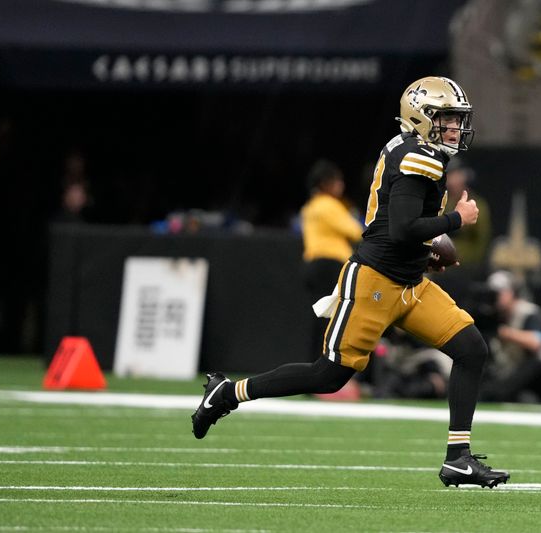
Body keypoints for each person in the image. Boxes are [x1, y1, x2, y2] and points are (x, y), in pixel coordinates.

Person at [191, 76, 510, 488]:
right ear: (421, 117)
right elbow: (401, 228)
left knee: (470, 348)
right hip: (375, 283)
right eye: (447, 118)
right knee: (328, 375)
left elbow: (396, 227)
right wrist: (457, 222)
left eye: (456, 119)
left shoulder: (415, 149)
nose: (454, 127)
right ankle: (228, 393)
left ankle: (458, 458)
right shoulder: (419, 157)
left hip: (410, 283)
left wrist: (426, 254)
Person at [299, 159, 364, 359]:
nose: (341, 185)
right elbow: (355, 231)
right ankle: (323, 365)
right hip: (329, 266)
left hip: (313, 265)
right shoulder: (329, 205)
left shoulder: (309, 207)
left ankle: (313, 365)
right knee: (331, 319)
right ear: (326, 183)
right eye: (337, 181)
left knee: (320, 318)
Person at [480, 270, 541, 403]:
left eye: (498, 293)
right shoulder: (493, 315)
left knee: (534, 363)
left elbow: (536, 342)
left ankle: (492, 395)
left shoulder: (530, 313)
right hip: (522, 379)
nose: (494, 297)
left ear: (512, 292)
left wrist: (504, 333)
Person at [443, 157, 491, 271]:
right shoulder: (440, 203)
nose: (453, 181)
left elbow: (481, 242)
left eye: (457, 175)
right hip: (440, 263)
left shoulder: (476, 204)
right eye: (450, 176)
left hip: (467, 265)